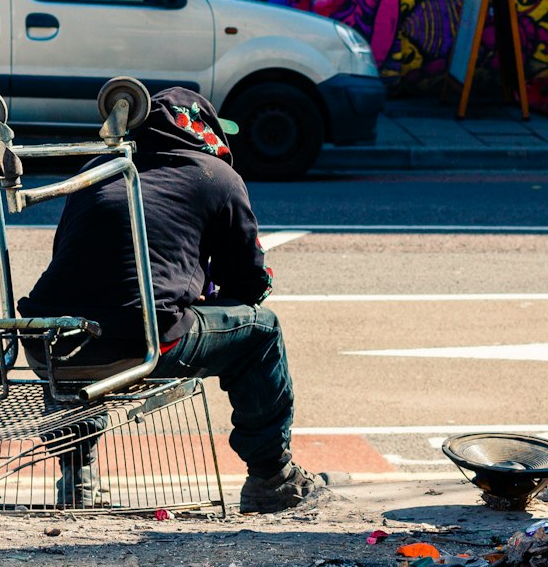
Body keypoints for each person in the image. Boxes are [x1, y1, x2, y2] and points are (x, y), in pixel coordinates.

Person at [18, 86, 321, 514]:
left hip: (50, 344)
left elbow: (81, 265)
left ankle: (77, 480)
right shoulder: (216, 176)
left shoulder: (101, 168)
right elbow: (249, 285)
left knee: (93, 321)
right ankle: (273, 479)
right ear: (202, 129)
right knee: (261, 331)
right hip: (138, 343)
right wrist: (204, 293)